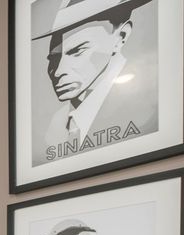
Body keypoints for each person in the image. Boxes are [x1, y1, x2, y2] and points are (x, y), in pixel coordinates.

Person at [35, 0, 157, 164]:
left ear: (121, 37)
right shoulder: (56, 123)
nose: (57, 71)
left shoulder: (147, 109)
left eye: (77, 50)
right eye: (54, 58)